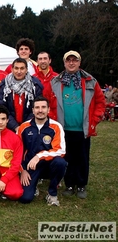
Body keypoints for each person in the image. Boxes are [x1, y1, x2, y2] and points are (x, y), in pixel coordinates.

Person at [50, 50, 105, 199]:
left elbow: (100, 101)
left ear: (79, 63)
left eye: (75, 60)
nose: (71, 63)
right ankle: (69, 184)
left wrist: (95, 119)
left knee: (82, 157)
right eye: (69, 60)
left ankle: (81, 185)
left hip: (82, 128)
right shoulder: (56, 82)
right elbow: (48, 102)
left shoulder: (90, 81)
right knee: (67, 157)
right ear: (64, 63)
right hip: (63, 129)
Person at [18, 96, 67, 206]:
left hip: (49, 164)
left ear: (48, 109)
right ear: (33, 110)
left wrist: (39, 156)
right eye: (37, 107)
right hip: (31, 166)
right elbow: (17, 152)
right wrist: (22, 170)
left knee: (60, 162)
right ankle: (33, 185)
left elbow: (60, 150)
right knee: (25, 198)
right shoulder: (24, 127)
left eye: (43, 107)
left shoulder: (56, 126)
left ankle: (52, 193)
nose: (40, 110)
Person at [0, 57, 43, 132]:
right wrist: (15, 126)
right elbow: (2, 108)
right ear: (12, 69)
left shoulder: (35, 85)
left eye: (22, 68)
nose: (19, 71)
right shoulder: (4, 85)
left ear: (26, 70)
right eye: (16, 68)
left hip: (31, 126)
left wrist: (25, 126)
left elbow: (37, 107)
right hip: (9, 127)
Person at [33, 52, 58, 120]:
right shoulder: (32, 78)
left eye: (45, 58)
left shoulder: (57, 78)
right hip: (38, 116)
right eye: (40, 59)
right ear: (37, 61)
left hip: (55, 117)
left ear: (49, 60)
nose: (43, 61)